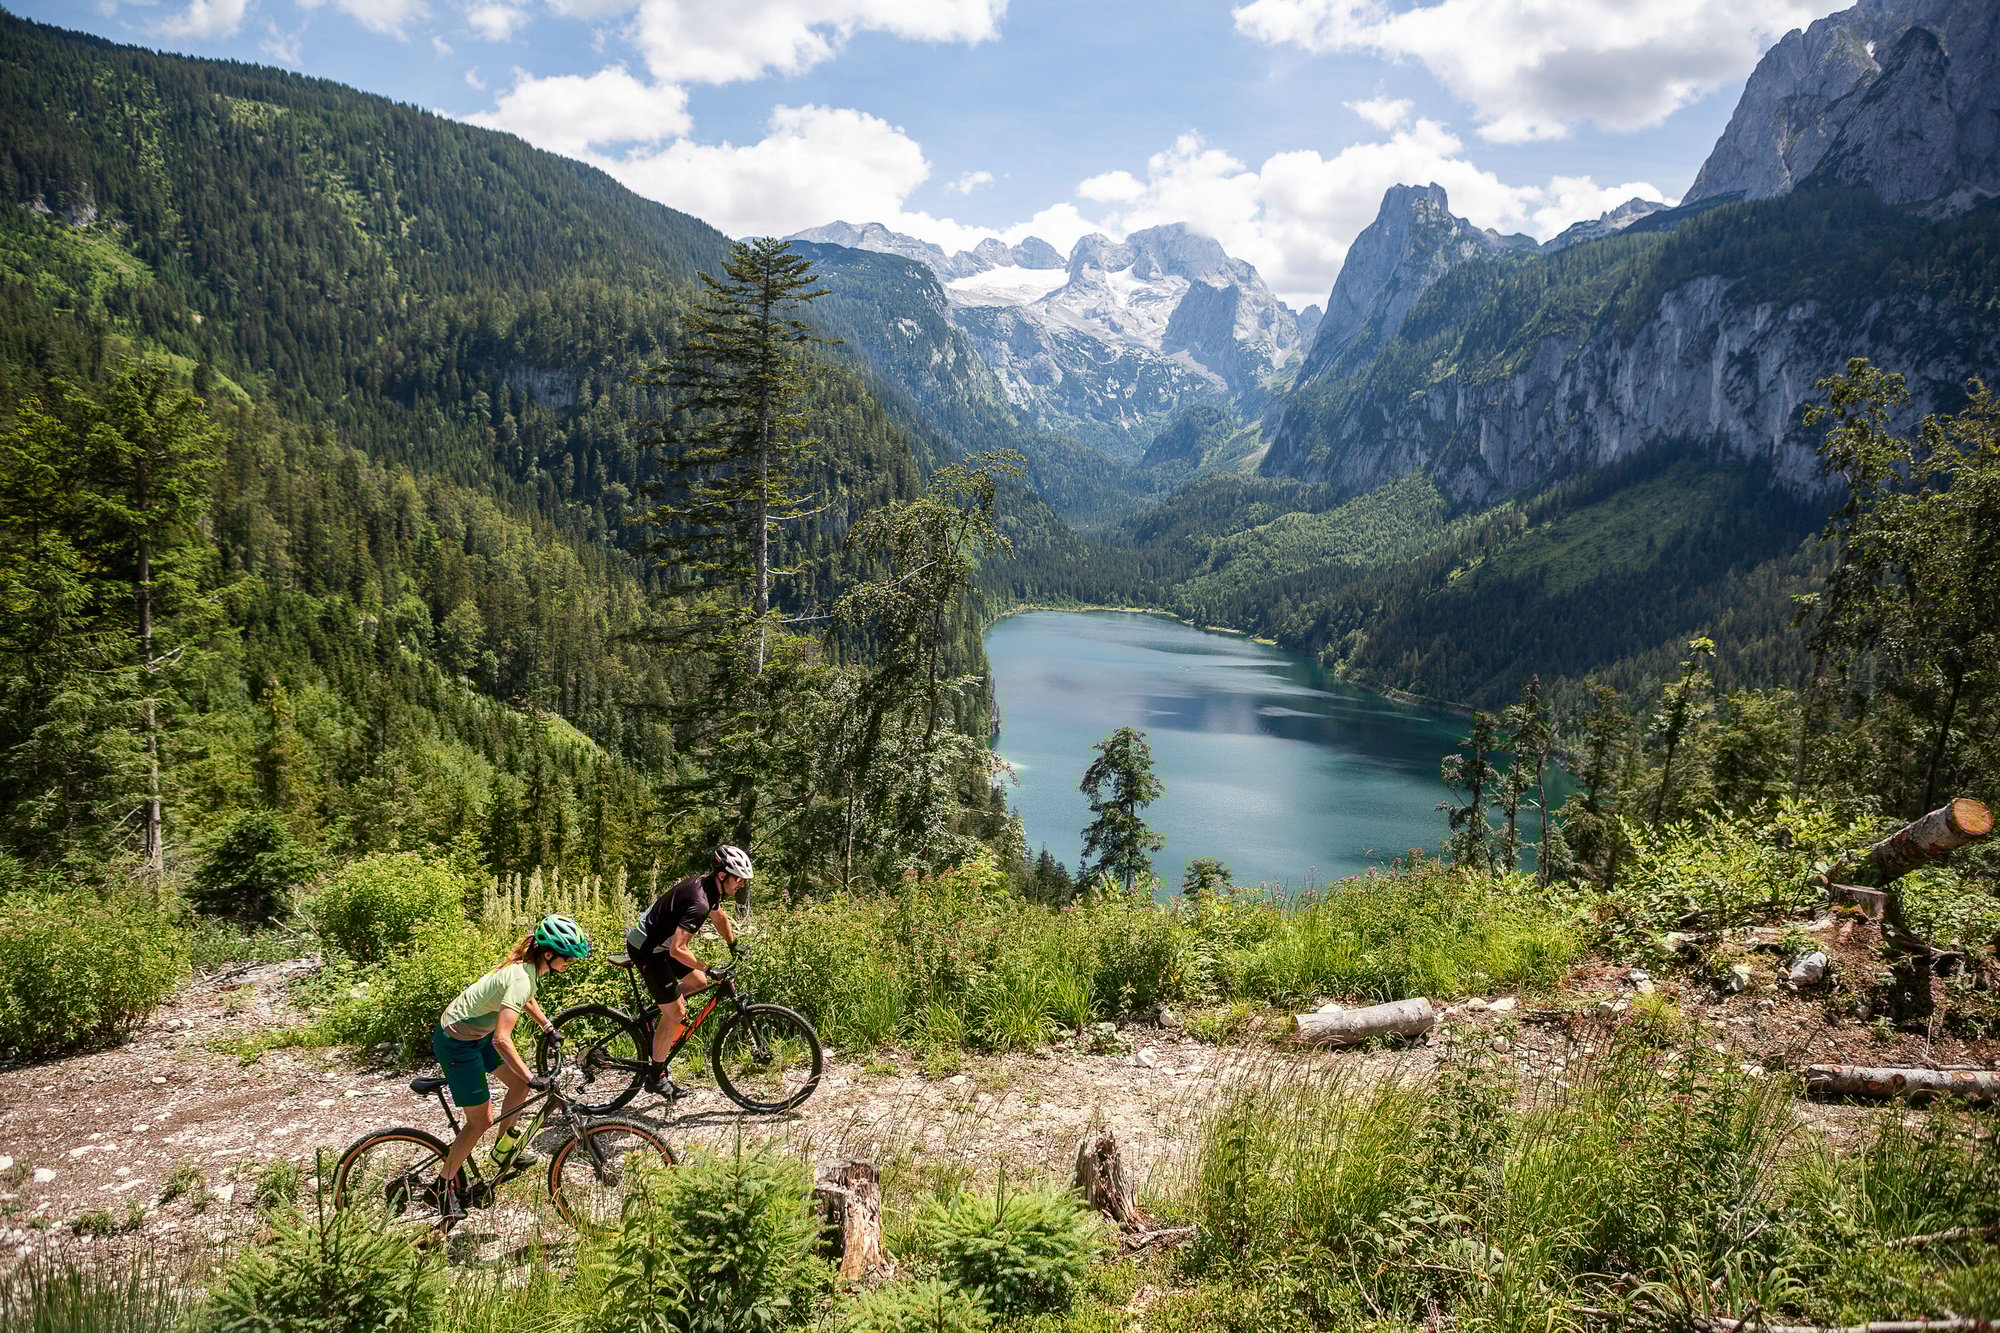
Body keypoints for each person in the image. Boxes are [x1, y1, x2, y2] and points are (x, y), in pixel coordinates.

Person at [431, 912, 589, 1220]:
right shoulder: (520, 977)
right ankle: (442, 1185)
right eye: (568, 958)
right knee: (480, 1121)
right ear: (549, 954)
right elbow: (502, 1041)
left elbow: (525, 1000)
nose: (570, 964)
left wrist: (547, 1026)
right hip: (456, 1042)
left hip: (475, 1036)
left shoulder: (528, 971)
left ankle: (504, 1149)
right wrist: (532, 1077)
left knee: (515, 1085)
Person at [631, 845, 750, 1097]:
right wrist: (709, 968)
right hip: (647, 949)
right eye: (738, 879)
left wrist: (733, 943)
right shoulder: (699, 901)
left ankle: (659, 1016)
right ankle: (656, 1076)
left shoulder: (710, 888)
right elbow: (678, 950)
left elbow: (720, 919)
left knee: (697, 982)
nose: (741, 884)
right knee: (677, 1012)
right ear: (722, 875)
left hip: (660, 946)